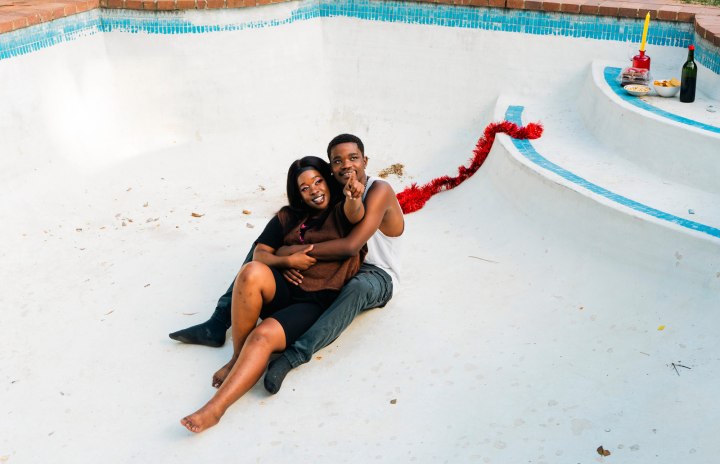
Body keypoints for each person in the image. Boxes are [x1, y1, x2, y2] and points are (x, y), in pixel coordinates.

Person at [170, 134, 404, 394]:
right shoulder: (335, 188)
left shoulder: (378, 189)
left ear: (365, 160)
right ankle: (218, 321)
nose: (346, 165)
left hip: (375, 273)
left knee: (356, 288)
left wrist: (292, 252)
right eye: (337, 161)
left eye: (353, 158)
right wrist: (284, 256)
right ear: (331, 168)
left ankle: (293, 355)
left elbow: (350, 245)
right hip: (341, 266)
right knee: (263, 246)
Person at [181, 156, 366, 433]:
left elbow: (356, 213)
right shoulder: (288, 216)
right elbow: (259, 254)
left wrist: (352, 197)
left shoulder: (342, 211)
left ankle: (215, 409)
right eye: (304, 188)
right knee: (251, 271)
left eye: (318, 181)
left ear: (328, 181)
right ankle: (236, 359)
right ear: (298, 194)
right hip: (282, 289)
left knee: (263, 336)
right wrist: (286, 261)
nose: (314, 190)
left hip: (312, 302)